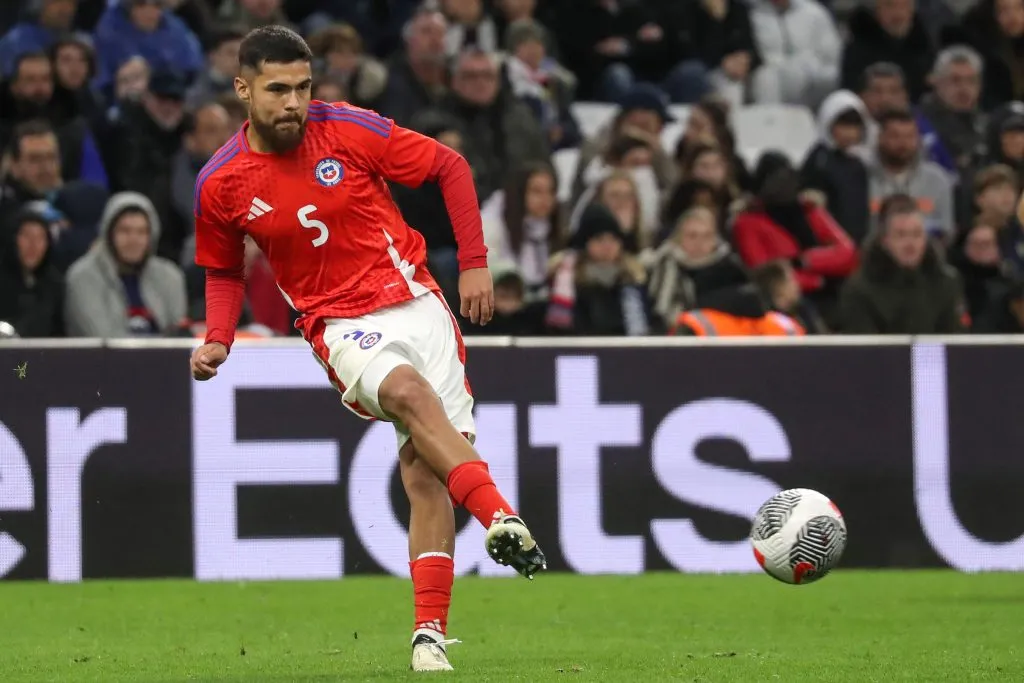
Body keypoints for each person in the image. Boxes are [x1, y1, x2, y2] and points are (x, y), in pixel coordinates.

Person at [188, 26, 545, 673]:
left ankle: (429, 635)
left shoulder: (348, 128)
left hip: (416, 300)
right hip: (337, 321)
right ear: (242, 89)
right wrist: (218, 337)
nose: (293, 102)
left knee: (424, 472)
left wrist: (475, 264)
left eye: (302, 87)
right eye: (277, 90)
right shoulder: (221, 182)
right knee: (407, 393)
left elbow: (449, 166)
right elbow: (222, 269)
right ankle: (500, 514)